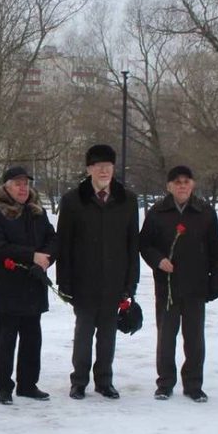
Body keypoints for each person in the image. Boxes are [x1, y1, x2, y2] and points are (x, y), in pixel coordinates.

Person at [55, 144, 140, 400]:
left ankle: (104, 380)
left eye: (108, 166)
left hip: (114, 279)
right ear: (89, 169)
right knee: (83, 332)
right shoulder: (73, 200)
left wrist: (130, 283)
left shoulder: (127, 199)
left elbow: (131, 244)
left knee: (108, 334)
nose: (104, 170)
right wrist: (65, 282)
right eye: (98, 166)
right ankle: (78, 381)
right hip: (83, 280)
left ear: (114, 168)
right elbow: (64, 243)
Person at [138, 166, 218, 402]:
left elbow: (216, 249)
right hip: (167, 285)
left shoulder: (205, 212)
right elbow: (144, 244)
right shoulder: (157, 212)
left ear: (193, 184)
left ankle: (194, 384)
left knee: (194, 338)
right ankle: (165, 382)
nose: (182, 186)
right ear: (169, 186)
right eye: (177, 182)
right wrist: (158, 260)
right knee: (166, 336)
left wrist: (216, 279)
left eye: (186, 181)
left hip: (196, 284)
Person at [0, 166, 56, 404]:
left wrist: (46, 259)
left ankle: (28, 384)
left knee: (32, 339)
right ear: (6, 187)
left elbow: (52, 239)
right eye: (17, 183)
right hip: (8, 289)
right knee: (6, 341)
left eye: (26, 183)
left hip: (34, 286)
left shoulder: (37, 211)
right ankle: (4, 387)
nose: (23, 188)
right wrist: (31, 256)